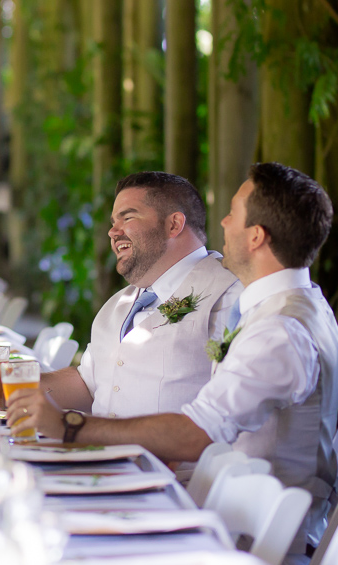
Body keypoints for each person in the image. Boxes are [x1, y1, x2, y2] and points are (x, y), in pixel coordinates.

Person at [9, 163, 338, 551]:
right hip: (225, 515)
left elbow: (199, 433)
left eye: (233, 214)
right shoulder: (288, 308)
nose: (222, 222)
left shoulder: (278, 330)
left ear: (256, 236)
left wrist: (71, 428)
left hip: (251, 541)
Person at [40, 171, 241, 420]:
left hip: (173, 458)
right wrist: (7, 385)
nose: (113, 232)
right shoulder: (117, 304)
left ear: (173, 224)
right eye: (114, 221)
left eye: (128, 217)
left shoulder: (229, 295)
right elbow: (90, 384)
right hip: (100, 455)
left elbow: (235, 410)